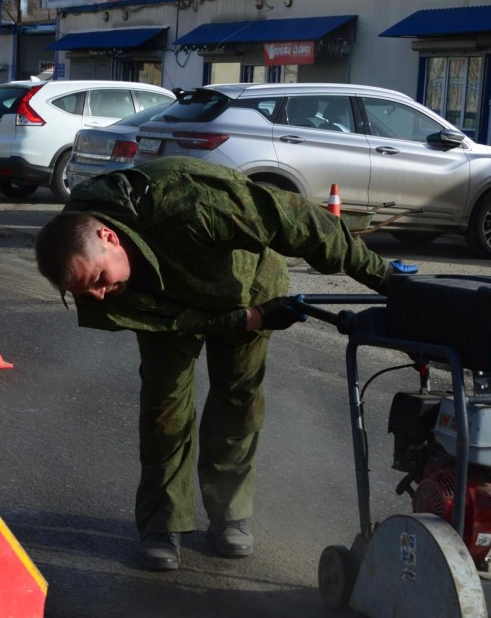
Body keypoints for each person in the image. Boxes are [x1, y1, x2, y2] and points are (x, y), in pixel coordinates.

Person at [35, 156, 415, 571]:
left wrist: (390, 283)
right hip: (169, 310)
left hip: (245, 285)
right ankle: (162, 525)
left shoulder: (189, 203)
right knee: (165, 410)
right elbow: (160, 318)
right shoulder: (83, 268)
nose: (100, 295)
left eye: (99, 281)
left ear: (109, 236)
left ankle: (230, 514)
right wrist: (239, 321)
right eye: (86, 292)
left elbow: (298, 221)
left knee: (238, 399)